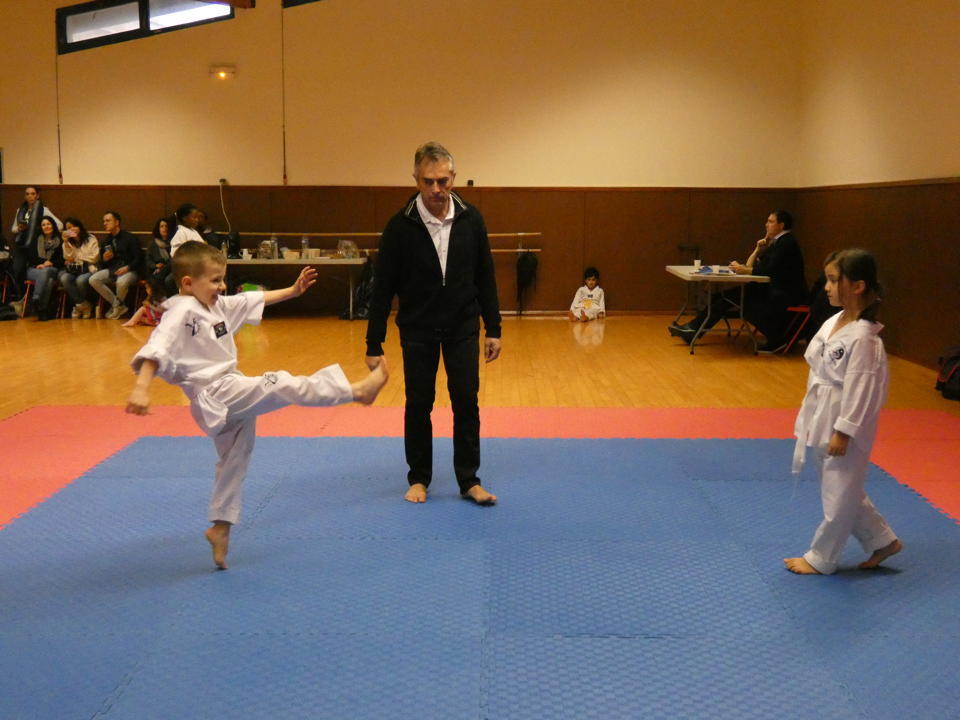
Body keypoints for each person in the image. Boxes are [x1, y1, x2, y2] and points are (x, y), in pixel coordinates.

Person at [126, 241, 389, 569]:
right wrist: (141, 387)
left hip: (225, 396)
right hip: (216, 393)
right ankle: (355, 392)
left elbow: (251, 300)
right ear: (188, 283)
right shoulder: (181, 311)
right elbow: (157, 348)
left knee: (235, 460)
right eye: (215, 280)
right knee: (280, 383)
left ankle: (220, 528)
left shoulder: (215, 305)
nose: (222, 286)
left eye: (222, 278)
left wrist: (293, 291)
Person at [365, 141, 501, 506]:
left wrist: (494, 328)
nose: (437, 189)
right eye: (429, 181)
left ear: (454, 177)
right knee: (418, 404)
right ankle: (419, 478)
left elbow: (485, 276)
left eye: (443, 181)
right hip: (418, 328)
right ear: (416, 178)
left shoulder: (472, 219)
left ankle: (469, 480)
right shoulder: (400, 226)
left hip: (462, 326)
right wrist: (373, 343)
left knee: (466, 402)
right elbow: (383, 288)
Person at [784, 248, 901, 575]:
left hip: (846, 421)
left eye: (834, 280)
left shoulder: (864, 338)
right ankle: (882, 540)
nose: (826, 287)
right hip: (824, 412)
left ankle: (821, 557)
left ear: (858, 286)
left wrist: (844, 430)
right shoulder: (835, 321)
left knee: (839, 492)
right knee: (841, 486)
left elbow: (862, 391)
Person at [669, 210, 806, 352]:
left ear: (781, 225)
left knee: (730, 300)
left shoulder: (786, 243)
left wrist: (744, 270)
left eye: (771, 221)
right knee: (720, 297)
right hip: (768, 289)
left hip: (783, 294)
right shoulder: (776, 243)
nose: (766, 225)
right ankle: (693, 329)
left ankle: (693, 330)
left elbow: (768, 270)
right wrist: (757, 250)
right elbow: (751, 266)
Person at [8, 186, 63, 302]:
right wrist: (20, 228)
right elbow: (13, 229)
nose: (30, 196)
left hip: (37, 245)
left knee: (44, 274)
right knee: (18, 270)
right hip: (22, 245)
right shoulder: (20, 211)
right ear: (25, 196)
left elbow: (59, 225)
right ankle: (21, 298)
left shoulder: (43, 210)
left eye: (33, 194)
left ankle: (34, 301)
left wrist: (42, 231)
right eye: (27, 194)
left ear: (37, 196)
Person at [89, 210, 142, 320]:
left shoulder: (130, 238)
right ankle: (118, 305)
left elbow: (139, 258)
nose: (105, 223)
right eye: (104, 221)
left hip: (130, 270)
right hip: (113, 269)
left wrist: (127, 268)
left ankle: (117, 307)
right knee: (93, 279)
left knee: (121, 282)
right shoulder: (106, 241)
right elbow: (102, 264)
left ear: (117, 222)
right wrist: (105, 259)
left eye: (108, 220)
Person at [16, 217, 64, 320]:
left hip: (52, 269)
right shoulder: (36, 239)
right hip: (34, 269)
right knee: (49, 281)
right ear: (41, 227)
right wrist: (42, 263)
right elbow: (31, 257)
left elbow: (62, 259)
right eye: (43, 225)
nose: (46, 226)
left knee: (46, 271)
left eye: (48, 224)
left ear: (53, 225)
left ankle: (36, 298)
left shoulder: (60, 240)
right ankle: (42, 310)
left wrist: (50, 263)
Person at [59, 217, 100, 319]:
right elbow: (67, 257)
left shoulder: (90, 238)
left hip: (89, 268)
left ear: (79, 227)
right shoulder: (67, 242)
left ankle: (78, 307)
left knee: (80, 281)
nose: (72, 229)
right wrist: (65, 242)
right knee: (64, 278)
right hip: (74, 270)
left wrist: (77, 258)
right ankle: (83, 305)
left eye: (74, 226)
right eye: (69, 228)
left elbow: (94, 258)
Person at [145, 217, 174, 298]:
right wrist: (155, 266)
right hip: (156, 270)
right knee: (155, 278)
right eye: (162, 226)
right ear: (158, 229)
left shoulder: (173, 242)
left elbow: (174, 260)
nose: (164, 228)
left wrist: (163, 267)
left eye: (166, 226)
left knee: (168, 279)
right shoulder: (153, 244)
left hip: (170, 270)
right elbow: (148, 260)